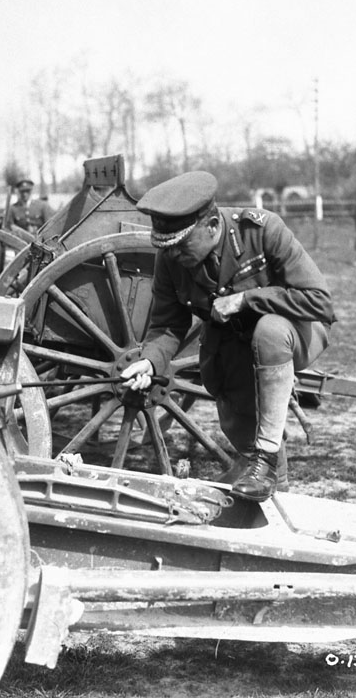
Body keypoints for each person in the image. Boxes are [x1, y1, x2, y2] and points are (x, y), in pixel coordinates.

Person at [121, 171, 336, 502]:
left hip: (298, 332)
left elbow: (319, 301)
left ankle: (267, 467)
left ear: (211, 226)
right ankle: (264, 474)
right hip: (233, 339)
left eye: (181, 246)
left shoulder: (262, 230)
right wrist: (150, 361)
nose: (174, 256)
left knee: (270, 331)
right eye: (169, 248)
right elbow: (167, 324)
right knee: (235, 416)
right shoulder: (171, 258)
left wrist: (248, 300)